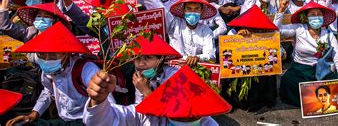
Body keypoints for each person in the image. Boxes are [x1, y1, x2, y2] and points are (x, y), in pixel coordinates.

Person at [6, 22, 115, 126]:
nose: (47, 59)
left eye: (53, 55)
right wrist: (33, 114)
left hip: (86, 121)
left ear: (66, 53)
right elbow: (48, 91)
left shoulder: (86, 69)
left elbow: (109, 104)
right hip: (64, 119)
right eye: (42, 55)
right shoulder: (48, 71)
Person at [84, 65, 230, 125]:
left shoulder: (208, 122)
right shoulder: (147, 116)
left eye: (191, 116)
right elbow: (110, 119)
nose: (185, 114)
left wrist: (148, 93)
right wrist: (98, 100)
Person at [276, 1, 338, 106]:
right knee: (288, 80)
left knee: (336, 82)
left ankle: (315, 99)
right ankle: (311, 103)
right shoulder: (299, 28)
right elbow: (277, 31)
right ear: (306, 17)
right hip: (299, 70)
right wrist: (281, 11)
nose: (316, 17)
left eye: (319, 14)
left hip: (321, 70)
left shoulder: (328, 35)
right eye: (312, 15)